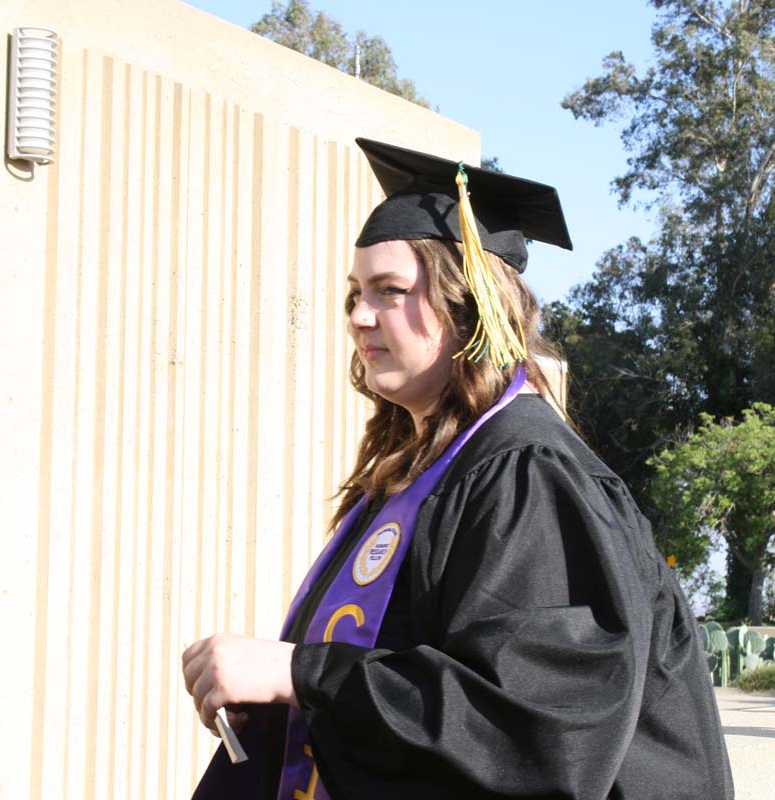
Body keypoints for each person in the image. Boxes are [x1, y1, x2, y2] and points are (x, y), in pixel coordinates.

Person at [183, 138, 734, 799]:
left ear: (470, 308)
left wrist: (299, 674)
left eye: (390, 291)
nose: (359, 317)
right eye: (355, 293)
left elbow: (534, 734)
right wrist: (283, 708)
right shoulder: (423, 473)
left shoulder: (527, 475)